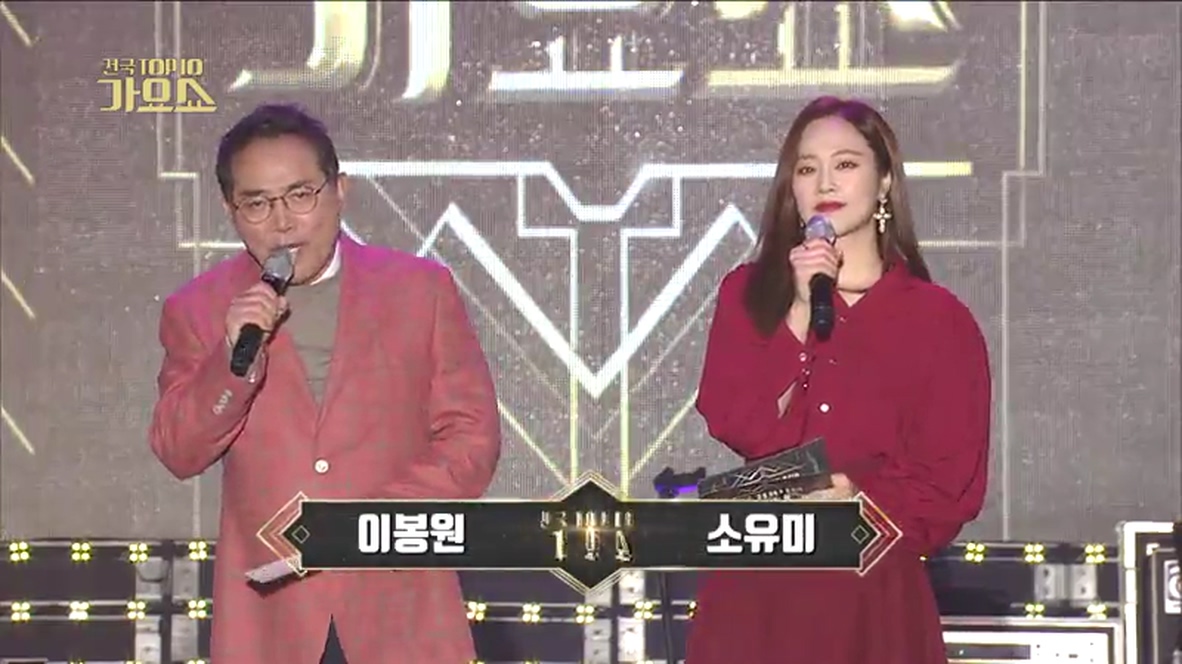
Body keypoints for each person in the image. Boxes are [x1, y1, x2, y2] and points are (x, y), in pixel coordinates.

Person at [148, 103, 502, 664]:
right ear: (230, 209)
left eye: (300, 195)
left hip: (399, 604)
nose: (282, 222)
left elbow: (471, 439)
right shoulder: (198, 309)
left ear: (339, 190)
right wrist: (231, 362)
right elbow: (178, 449)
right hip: (270, 617)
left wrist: (359, 527)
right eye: (257, 203)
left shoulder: (419, 290)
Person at [687, 97, 992, 663]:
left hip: (871, 596)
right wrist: (801, 309)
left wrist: (859, 501)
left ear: (884, 181)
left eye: (846, 164)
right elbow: (739, 422)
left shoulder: (938, 320)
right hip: (757, 595)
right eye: (807, 168)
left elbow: (950, 484)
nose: (824, 181)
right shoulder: (748, 293)